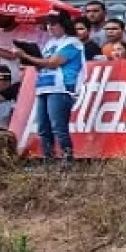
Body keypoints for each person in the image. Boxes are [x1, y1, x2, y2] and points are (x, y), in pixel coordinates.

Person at [15, 10, 84, 169]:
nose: (49, 28)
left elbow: (53, 63)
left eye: (54, 24)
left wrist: (26, 55)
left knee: (58, 126)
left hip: (61, 88)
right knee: (43, 127)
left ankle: (68, 160)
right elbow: (42, 65)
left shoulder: (72, 42)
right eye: (48, 24)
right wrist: (30, 58)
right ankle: (49, 160)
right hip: (44, 86)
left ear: (63, 25)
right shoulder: (49, 43)